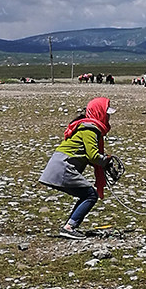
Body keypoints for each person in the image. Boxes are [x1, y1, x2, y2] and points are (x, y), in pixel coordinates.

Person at [39, 96, 115, 239]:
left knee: (86, 195)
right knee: (91, 195)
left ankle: (70, 225)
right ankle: (69, 227)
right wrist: (105, 161)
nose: (109, 117)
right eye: (107, 114)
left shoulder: (85, 127)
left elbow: (85, 154)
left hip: (59, 165)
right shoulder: (90, 130)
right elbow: (92, 156)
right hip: (63, 167)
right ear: (99, 113)